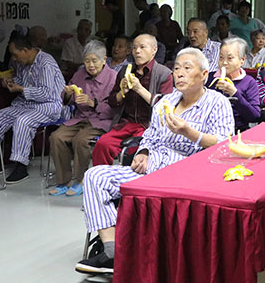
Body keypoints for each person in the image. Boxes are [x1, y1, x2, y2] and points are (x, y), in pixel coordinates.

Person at [75, 48, 235, 275]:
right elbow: (149, 135)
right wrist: (144, 151)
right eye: (177, 68)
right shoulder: (166, 101)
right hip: (149, 169)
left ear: (204, 75)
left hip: (185, 173)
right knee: (94, 176)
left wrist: (190, 133)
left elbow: (223, 143)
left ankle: (137, 251)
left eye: (187, 68)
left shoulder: (217, 103)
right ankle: (112, 251)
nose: (179, 73)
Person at [0, 34, 65, 183]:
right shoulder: (23, 63)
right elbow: (22, 81)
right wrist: (11, 82)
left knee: (23, 121)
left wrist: (21, 88)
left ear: (25, 50)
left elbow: (47, 93)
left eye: (16, 55)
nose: (14, 59)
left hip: (48, 105)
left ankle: (21, 165)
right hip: (27, 103)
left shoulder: (45, 63)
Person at [91, 34, 173, 166]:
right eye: (134, 48)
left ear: (154, 50)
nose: (137, 51)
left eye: (142, 47)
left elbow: (165, 107)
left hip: (149, 126)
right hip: (126, 123)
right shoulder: (125, 71)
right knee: (102, 145)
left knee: (133, 153)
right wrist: (121, 93)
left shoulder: (164, 74)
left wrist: (139, 89)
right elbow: (112, 102)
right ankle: (101, 180)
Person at [48, 41, 117, 197]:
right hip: (79, 118)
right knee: (56, 137)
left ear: (104, 60)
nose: (90, 65)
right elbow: (68, 99)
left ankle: (81, 180)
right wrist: (66, 93)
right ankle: (63, 181)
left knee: (80, 140)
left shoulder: (113, 78)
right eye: (86, 61)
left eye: (94, 61)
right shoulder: (79, 74)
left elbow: (115, 109)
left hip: (101, 120)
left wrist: (92, 103)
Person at [206, 38, 261, 132]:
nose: (224, 63)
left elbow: (255, 116)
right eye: (221, 57)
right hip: (210, 131)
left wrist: (235, 94)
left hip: (238, 131)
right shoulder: (209, 78)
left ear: (242, 60)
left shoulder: (249, 82)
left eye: (230, 58)